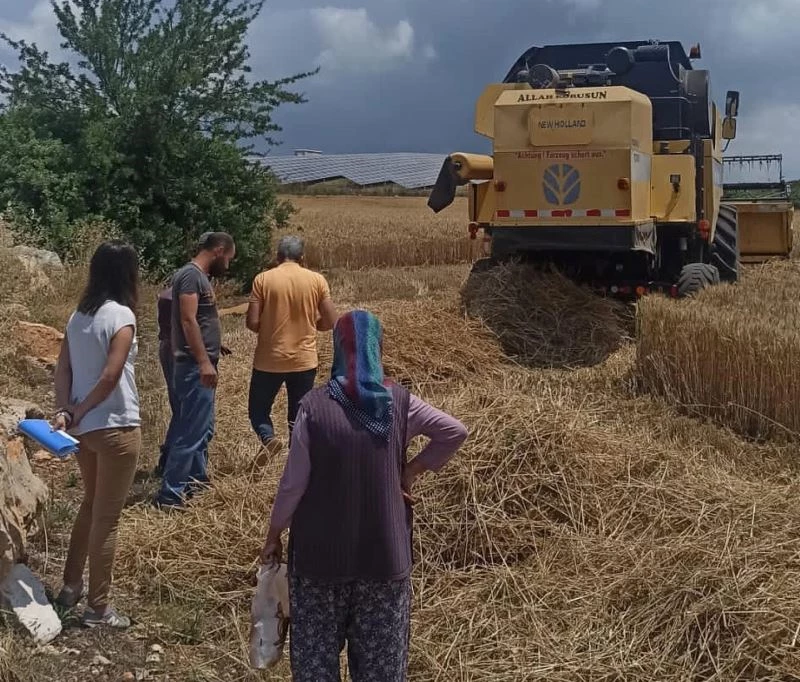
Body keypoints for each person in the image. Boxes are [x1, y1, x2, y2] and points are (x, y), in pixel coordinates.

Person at [259, 309, 468, 681]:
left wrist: (274, 533)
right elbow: (454, 431)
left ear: (338, 349)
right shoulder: (400, 403)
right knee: (380, 671)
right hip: (383, 561)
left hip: (319, 564)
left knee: (315, 667)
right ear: (377, 349)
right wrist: (409, 472)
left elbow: (293, 483)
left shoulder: (314, 407)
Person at [51, 239, 142, 629]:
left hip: (84, 431)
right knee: (107, 519)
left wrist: (66, 410)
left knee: (89, 506)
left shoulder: (78, 316)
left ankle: (70, 586)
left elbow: (63, 369)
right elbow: (110, 376)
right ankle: (99, 608)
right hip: (117, 425)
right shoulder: (121, 316)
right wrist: (84, 408)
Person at [154, 231, 235, 509]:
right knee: (190, 430)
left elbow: (198, 320)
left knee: (203, 428)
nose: (228, 265)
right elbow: (188, 320)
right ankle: (171, 494)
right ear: (219, 250)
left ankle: (196, 482)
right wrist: (203, 361)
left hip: (199, 362)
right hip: (192, 366)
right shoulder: (191, 276)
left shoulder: (199, 277)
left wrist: (213, 345)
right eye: (229, 258)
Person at [245, 235, 338, 457]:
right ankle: (296, 458)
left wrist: (269, 327)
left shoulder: (263, 280)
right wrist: (315, 325)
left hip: (269, 359)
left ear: (278, 256)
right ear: (302, 258)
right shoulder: (317, 280)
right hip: (304, 360)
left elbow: (252, 322)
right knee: (298, 414)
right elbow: (332, 320)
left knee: (258, 409)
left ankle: (268, 438)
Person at [155, 283, 175, 476]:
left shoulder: (168, 295)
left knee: (181, 410)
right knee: (182, 411)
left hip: (171, 350)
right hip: (175, 352)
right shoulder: (173, 297)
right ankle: (168, 461)